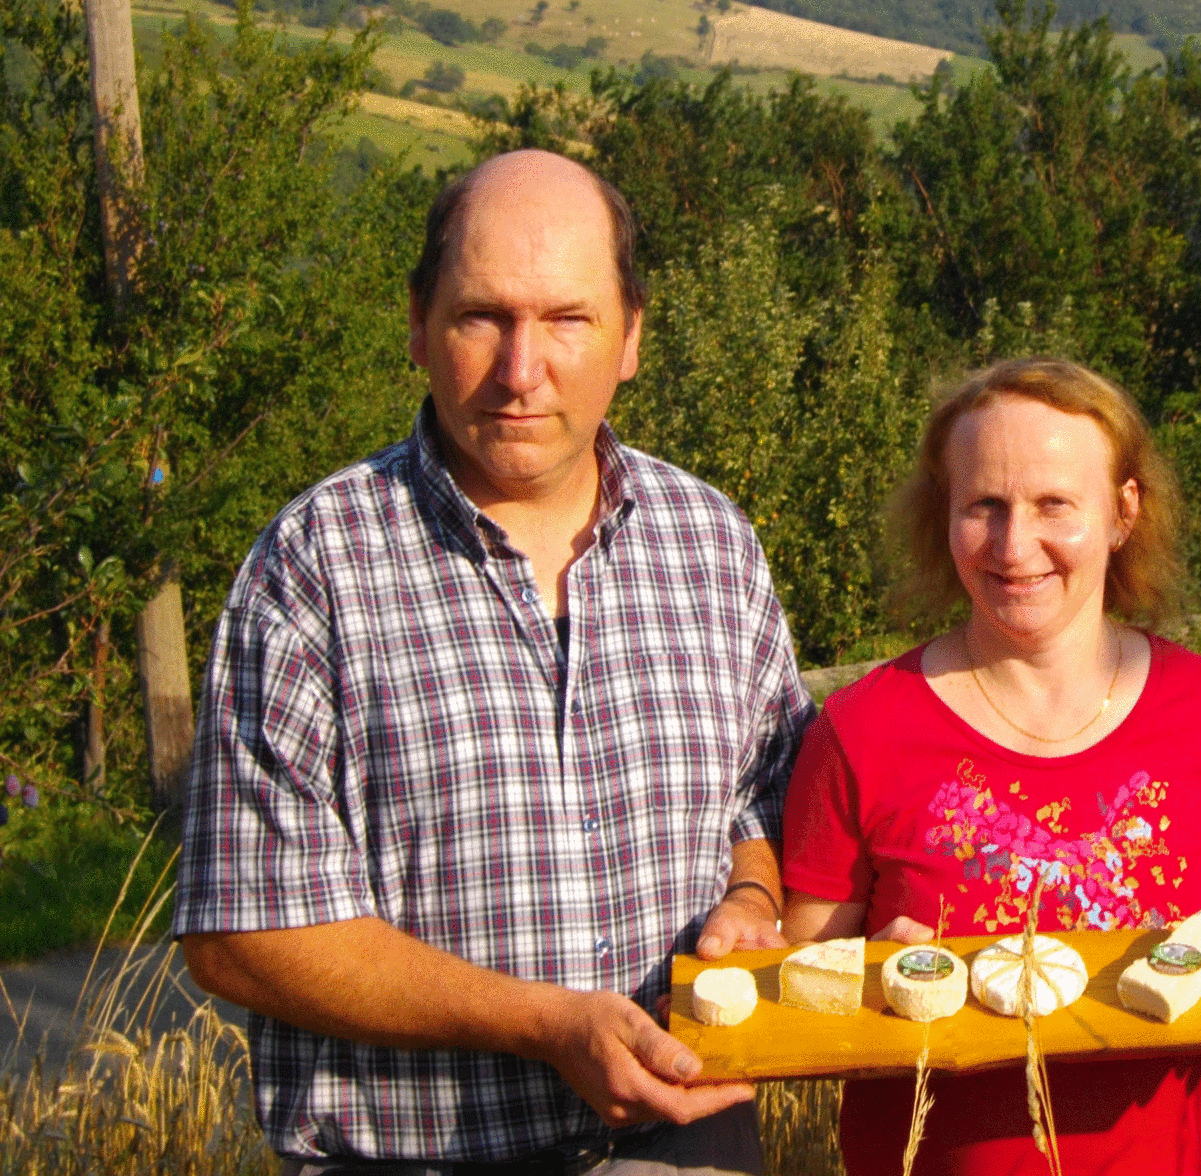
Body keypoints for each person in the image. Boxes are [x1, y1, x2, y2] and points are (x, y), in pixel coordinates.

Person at [173, 149, 815, 1174]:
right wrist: (545, 1026)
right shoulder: (313, 567)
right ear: (419, 324)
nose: (523, 371)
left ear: (632, 335)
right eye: (483, 318)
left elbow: (766, 799)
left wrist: (752, 900)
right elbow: (243, 930)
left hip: (693, 1147)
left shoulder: (710, 542)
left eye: (568, 320)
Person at [781, 356, 1201, 1176]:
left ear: (1122, 511)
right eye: (983, 507)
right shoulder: (860, 733)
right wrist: (874, 987)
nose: (1013, 544)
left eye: (1053, 504)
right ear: (943, 515)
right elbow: (796, 992)